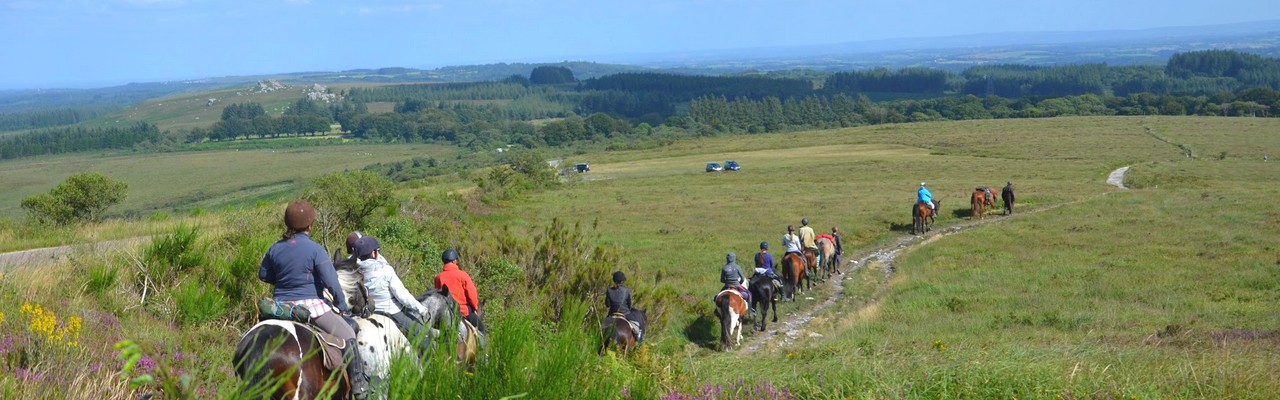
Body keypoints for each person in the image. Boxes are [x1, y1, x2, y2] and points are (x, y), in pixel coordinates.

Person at [259, 200, 368, 399]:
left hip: (279, 306)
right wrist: (341, 306)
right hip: (311, 306)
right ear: (310, 225)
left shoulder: (275, 248)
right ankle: (359, 384)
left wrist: (284, 279)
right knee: (348, 333)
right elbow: (332, 282)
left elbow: (264, 275)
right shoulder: (315, 249)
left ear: (287, 224)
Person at [352, 235, 431, 354]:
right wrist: (421, 309)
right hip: (391, 313)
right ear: (373, 253)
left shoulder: (354, 271)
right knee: (424, 336)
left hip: (366, 313)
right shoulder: (385, 270)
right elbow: (403, 296)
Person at [434, 249, 486, 336]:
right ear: (454, 261)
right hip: (463, 311)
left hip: (445, 312)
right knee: (481, 329)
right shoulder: (462, 275)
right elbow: (471, 294)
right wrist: (475, 307)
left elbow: (437, 295)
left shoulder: (438, 277)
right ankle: (481, 348)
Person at [605, 271, 643, 343]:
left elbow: (607, 305)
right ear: (622, 281)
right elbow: (629, 304)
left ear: (614, 280)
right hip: (625, 313)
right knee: (638, 325)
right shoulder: (626, 290)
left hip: (612, 314)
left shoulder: (609, 290)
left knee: (602, 325)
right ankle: (638, 341)